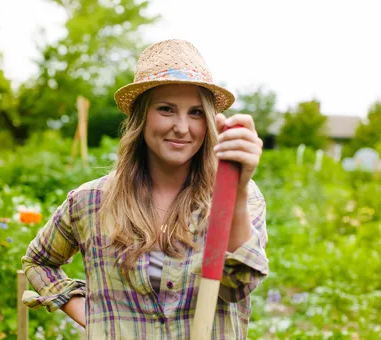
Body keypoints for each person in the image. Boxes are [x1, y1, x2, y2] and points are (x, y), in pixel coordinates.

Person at [22, 39, 268, 339]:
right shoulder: (91, 201)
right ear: (141, 116)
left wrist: (236, 194)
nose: (182, 127)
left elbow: (238, 286)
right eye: (166, 109)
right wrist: (90, 314)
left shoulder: (238, 196)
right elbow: (39, 261)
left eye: (195, 112)